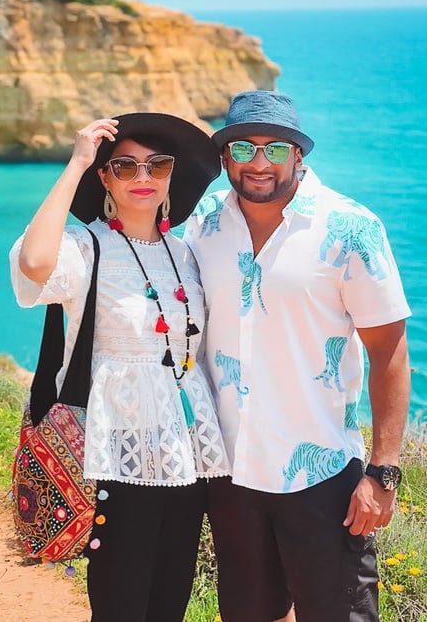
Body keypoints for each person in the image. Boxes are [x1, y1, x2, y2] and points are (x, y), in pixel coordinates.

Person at [184, 89, 411, 622]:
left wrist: (383, 472)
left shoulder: (350, 227)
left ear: (298, 155)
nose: (258, 163)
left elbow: (389, 352)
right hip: (231, 473)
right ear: (225, 157)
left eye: (275, 148)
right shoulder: (205, 225)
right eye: (242, 149)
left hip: (322, 478)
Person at [9, 113, 231, 622]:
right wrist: (76, 162)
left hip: (185, 453)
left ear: (172, 174)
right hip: (116, 453)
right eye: (124, 166)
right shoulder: (86, 247)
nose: (142, 177)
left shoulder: (186, 253)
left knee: (170, 600)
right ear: (105, 177)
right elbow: (34, 264)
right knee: (120, 602)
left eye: (157, 164)